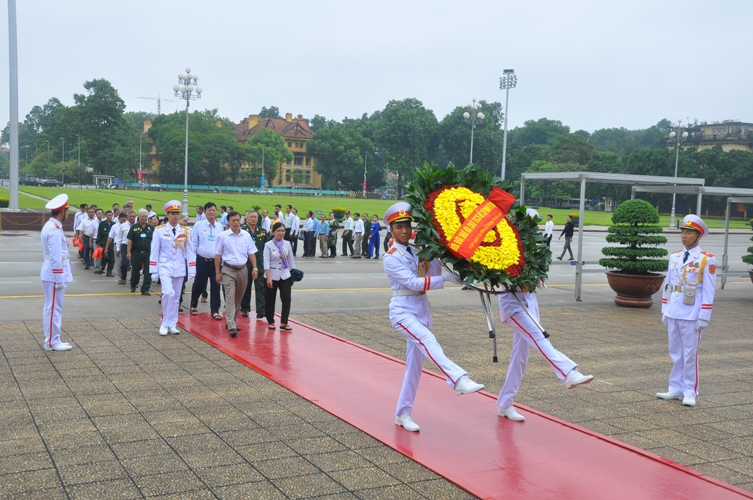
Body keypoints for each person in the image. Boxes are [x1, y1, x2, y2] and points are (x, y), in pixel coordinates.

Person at [383, 202, 484, 432]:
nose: (405, 231)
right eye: (399, 227)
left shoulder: (417, 250)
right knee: (428, 341)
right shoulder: (391, 257)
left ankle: (402, 413)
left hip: (420, 312)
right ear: (391, 230)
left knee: (413, 369)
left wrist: (437, 252)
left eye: (407, 226)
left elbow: (432, 274)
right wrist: (448, 280)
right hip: (403, 313)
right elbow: (413, 283)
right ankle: (458, 379)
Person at [496, 290, 594, 421]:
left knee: (519, 358)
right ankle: (568, 373)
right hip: (514, 307)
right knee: (539, 339)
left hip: (530, 306)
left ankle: (505, 404)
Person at [657, 214, 717, 407]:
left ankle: (690, 390)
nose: (684, 235)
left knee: (690, 354)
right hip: (674, 309)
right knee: (675, 352)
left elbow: (708, 290)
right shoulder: (674, 256)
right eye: (683, 231)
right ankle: (675, 387)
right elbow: (669, 283)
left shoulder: (706, 259)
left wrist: (704, 316)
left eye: (689, 232)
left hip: (692, 313)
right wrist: (665, 307)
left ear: (698, 236)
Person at [150, 200, 196, 336]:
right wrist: (154, 271)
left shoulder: (186, 231)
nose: (176, 216)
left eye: (177, 213)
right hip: (165, 266)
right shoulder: (159, 231)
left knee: (176, 297)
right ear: (167, 215)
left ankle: (173, 323)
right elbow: (154, 251)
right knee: (168, 294)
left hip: (179, 267)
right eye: (173, 213)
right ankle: (164, 322)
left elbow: (190, 252)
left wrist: (192, 269)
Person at [215, 211, 258, 337]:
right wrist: (218, 272)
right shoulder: (222, 236)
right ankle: (231, 325)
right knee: (230, 296)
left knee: (238, 298)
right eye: (233, 220)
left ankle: (232, 321)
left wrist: (255, 268)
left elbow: (251, 253)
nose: (236, 223)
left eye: (238, 220)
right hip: (228, 269)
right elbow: (218, 255)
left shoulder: (246, 235)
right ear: (228, 221)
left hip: (243, 269)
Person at [40, 194, 73, 351]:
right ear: (63, 211)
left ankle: (53, 339)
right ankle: (53, 341)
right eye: (67, 210)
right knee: (54, 308)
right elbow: (55, 257)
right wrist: (60, 278)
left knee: (51, 307)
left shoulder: (51, 226)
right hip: (54, 275)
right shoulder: (54, 230)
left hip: (52, 273)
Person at [189, 202, 225, 319]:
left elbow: (222, 245)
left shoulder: (220, 227)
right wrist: (192, 260)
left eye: (213, 210)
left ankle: (215, 310)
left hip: (215, 262)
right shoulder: (199, 225)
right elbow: (194, 243)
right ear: (204, 212)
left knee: (216, 285)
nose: (211, 212)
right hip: (202, 260)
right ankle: (193, 305)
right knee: (198, 284)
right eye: (209, 210)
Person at [264, 222, 296, 331]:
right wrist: (268, 278)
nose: (280, 233)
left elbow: (291, 260)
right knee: (270, 300)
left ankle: (284, 322)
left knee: (286, 299)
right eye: (278, 231)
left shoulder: (287, 244)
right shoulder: (268, 245)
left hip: (285, 275)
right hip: (272, 276)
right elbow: (266, 262)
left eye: (283, 231)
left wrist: (292, 274)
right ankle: (271, 321)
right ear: (273, 232)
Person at [241, 210, 267, 319]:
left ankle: (261, 310)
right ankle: (245, 308)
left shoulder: (263, 231)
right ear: (247, 219)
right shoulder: (242, 231)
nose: (253, 219)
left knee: (260, 288)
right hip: (246, 264)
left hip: (259, 264)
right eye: (251, 217)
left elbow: (266, 248)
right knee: (246, 288)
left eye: (255, 217)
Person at [127, 209, 154, 295]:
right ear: (139, 217)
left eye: (146, 216)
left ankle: (145, 288)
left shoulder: (151, 228)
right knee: (135, 270)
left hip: (148, 253)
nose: (144, 218)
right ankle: (133, 284)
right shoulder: (134, 227)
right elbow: (130, 240)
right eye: (142, 216)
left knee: (148, 272)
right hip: (136, 252)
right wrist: (128, 252)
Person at [95, 210, 115, 276]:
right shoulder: (102, 223)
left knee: (111, 259)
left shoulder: (114, 224)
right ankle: (101, 268)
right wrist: (98, 243)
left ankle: (109, 272)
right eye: (108, 215)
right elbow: (99, 234)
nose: (110, 216)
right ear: (106, 216)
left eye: (111, 215)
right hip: (103, 243)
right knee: (104, 257)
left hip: (111, 244)